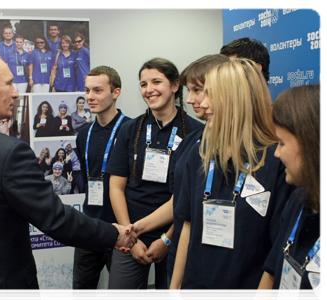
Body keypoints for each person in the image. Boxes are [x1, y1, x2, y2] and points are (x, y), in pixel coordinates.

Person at [0, 51, 137, 300]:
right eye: (9, 83)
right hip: (4, 290)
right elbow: (55, 219)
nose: (15, 92)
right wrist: (114, 233)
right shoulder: (8, 152)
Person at [169, 59, 295, 300]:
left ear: (237, 100)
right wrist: (175, 290)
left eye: (211, 95)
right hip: (193, 292)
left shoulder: (276, 163)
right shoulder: (201, 154)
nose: (203, 104)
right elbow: (187, 223)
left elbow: (278, 251)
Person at [106, 58, 203, 300]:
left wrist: (167, 239)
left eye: (156, 81)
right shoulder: (131, 129)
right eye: (143, 84)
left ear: (174, 85)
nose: (149, 90)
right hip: (132, 233)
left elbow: (189, 196)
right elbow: (116, 188)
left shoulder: (195, 132)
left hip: (176, 233)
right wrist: (129, 237)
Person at [133, 54, 230, 294]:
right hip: (190, 258)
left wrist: (163, 239)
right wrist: (135, 230)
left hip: (225, 266)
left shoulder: (254, 150)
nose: (190, 100)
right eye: (190, 91)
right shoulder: (191, 143)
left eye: (198, 90)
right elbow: (182, 206)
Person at [254, 84, 324, 300]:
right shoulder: (299, 200)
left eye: (282, 143)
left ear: (312, 145)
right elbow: (272, 271)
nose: (277, 153)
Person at [72, 65, 131, 300]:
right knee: (82, 293)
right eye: (87, 91)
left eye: (98, 90)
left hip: (121, 227)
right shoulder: (83, 134)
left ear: (115, 92)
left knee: (122, 294)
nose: (90, 97)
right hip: (90, 226)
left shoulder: (132, 130)